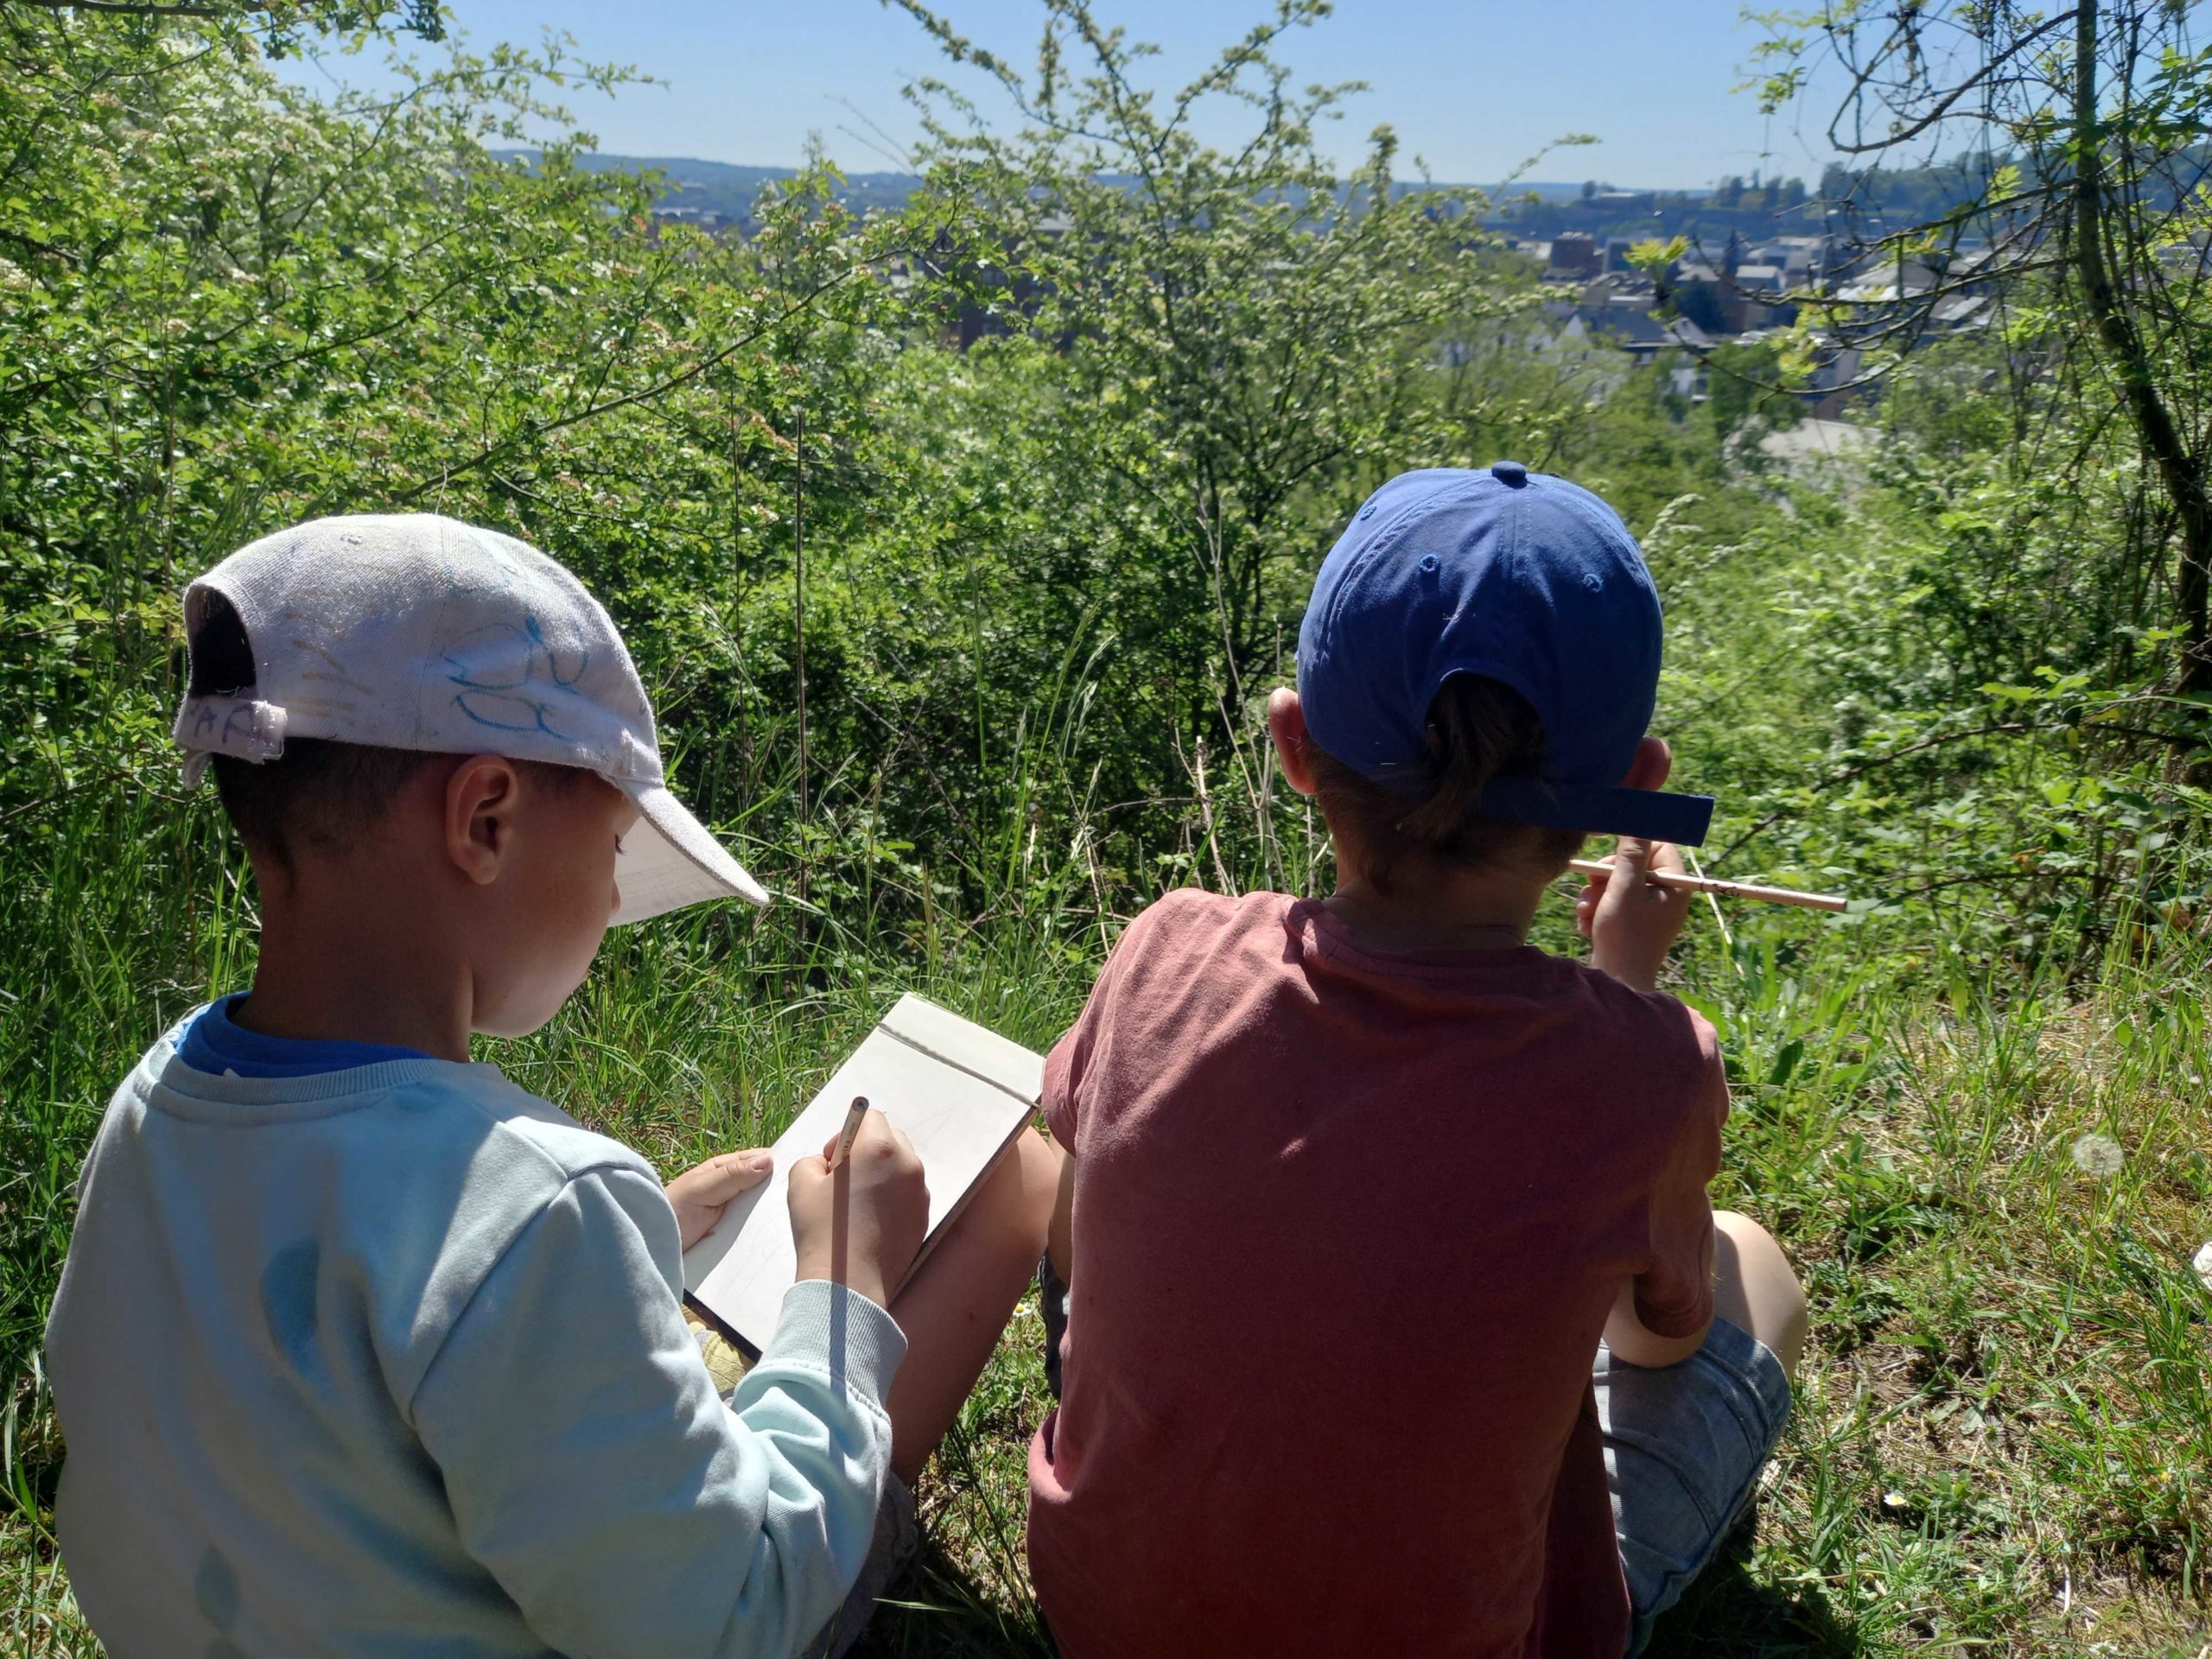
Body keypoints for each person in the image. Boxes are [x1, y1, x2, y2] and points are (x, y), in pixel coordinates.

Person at [44, 513, 1058, 1659]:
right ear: (485, 820)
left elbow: (313, 1359)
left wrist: (623, 1253)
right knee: (1027, 1173)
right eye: (622, 843)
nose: (617, 897)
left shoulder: (159, 1094)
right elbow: (728, 1617)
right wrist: (841, 1286)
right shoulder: (536, 1205)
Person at [1028, 463, 1811, 1658]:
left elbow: (1073, 1243)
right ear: (1634, 794)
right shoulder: (1643, 1069)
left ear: (1296, 746)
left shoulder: (1163, 951)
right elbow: (1653, 1342)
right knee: (1753, 1266)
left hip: (1108, 1621)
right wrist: (1627, 992)